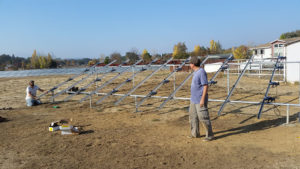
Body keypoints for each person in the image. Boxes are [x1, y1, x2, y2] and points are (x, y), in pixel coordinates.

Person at [189, 56, 214, 141]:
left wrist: (203, 99)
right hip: (193, 99)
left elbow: (205, 86)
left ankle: (209, 135)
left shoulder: (201, 72)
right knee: (193, 117)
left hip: (200, 99)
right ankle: (195, 133)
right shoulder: (195, 72)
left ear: (193, 64)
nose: (189, 65)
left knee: (203, 117)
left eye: (190, 63)